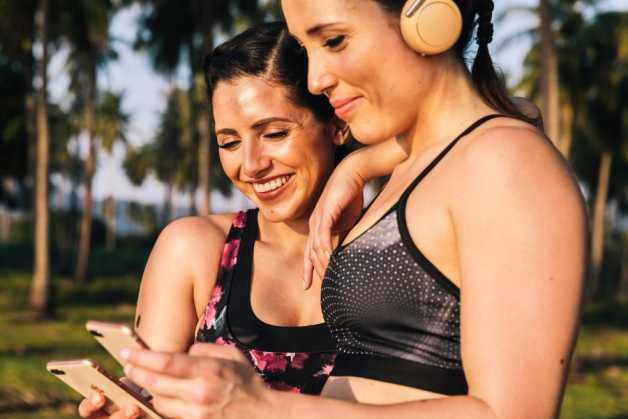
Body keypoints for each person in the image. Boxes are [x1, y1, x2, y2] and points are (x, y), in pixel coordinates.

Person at [119, 1, 588, 419]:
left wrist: (261, 408)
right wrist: (359, 166)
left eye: (334, 40)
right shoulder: (426, 166)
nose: (316, 79)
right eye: (308, 48)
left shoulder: (502, 160)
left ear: (426, 18)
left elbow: (514, 412)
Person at [77, 21, 389, 419]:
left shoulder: (399, 249)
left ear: (338, 124)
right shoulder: (195, 250)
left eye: (275, 133)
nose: (251, 165)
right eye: (229, 142)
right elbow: (149, 395)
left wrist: (363, 165)